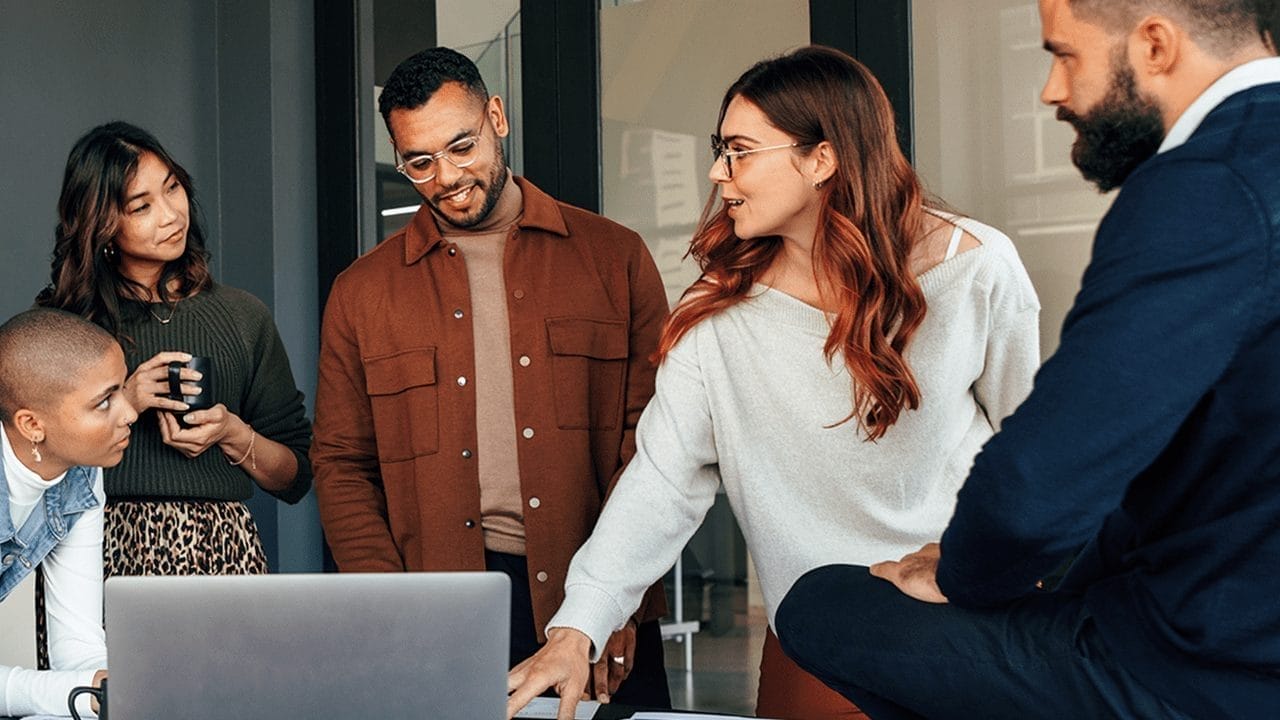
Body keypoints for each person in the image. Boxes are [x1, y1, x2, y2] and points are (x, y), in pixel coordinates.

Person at [775, 2, 1280, 719]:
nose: (1051, 90)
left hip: (1196, 668)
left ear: (1156, 45)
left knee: (822, 603)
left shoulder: (1206, 185)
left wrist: (957, 572)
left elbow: (1037, 486)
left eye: (1065, 55)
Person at [505, 45, 1040, 720]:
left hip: (969, 635)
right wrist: (577, 627)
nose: (716, 172)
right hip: (817, 649)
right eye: (718, 149)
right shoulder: (717, 314)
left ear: (821, 158)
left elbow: (1028, 454)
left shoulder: (978, 269)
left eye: (738, 151)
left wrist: (995, 571)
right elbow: (662, 483)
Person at [311, 47, 671, 707]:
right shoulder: (361, 294)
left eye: (462, 146)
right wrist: (391, 607)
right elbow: (340, 464)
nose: (446, 176)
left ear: (497, 117)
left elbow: (653, 449)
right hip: (438, 613)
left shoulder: (615, 259)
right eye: (420, 161)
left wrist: (618, 601)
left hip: (589, 598)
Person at [37, 122, 312, 579]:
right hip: (92, 555)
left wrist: (231, 432)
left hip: (224, 554)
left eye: (173, 188)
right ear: (102, 224)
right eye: (141, 206)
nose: (171, 215)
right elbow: (28, 466)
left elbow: (295, 477)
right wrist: (123, 401)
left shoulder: (243, 316)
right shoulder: (66, 324)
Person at [0, 308, 138, 717]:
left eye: (123, 389)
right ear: (31, 424)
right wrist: (77, 691)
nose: (130, 413)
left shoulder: (81, 474)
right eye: (104, 402)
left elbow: (77, 642)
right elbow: (70, 686)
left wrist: (108, 689)